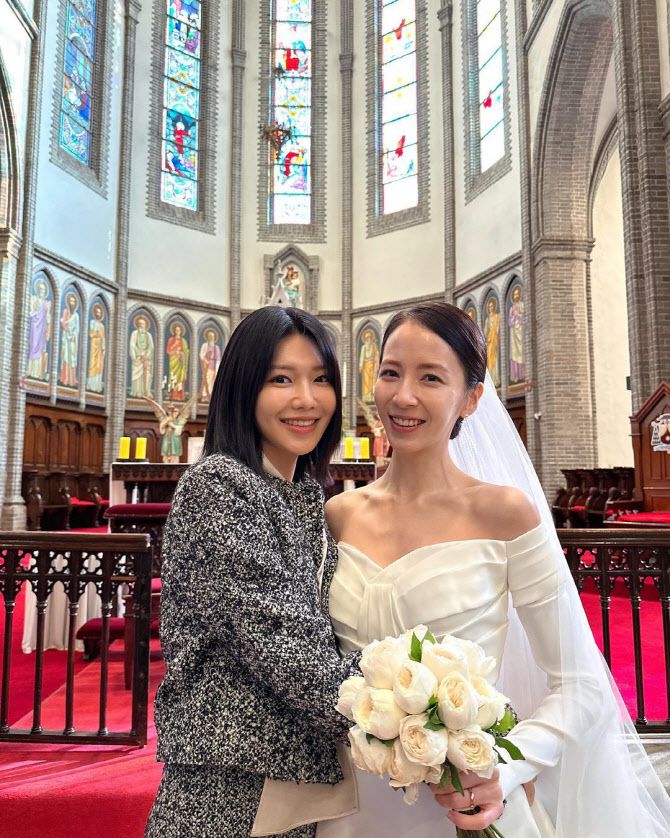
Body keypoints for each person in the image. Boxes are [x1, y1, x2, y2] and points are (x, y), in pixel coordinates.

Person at [318, 302, 670, 837]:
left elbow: (581, 684)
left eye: (430, 377)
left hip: (467, 803)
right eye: (390, 372)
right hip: (354, 807)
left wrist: (506, 767)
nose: (403, 395)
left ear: (471, 398)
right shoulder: (339, 515)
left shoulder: (503, 513)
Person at [146, 307, 364, 836]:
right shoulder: (219, 487)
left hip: (297, 767)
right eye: (281, 379)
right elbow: (284, 647)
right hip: (232, 779)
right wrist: (409, 710)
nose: (306, 399)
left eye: (321, 380)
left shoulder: (302, 493)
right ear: (243, 387)